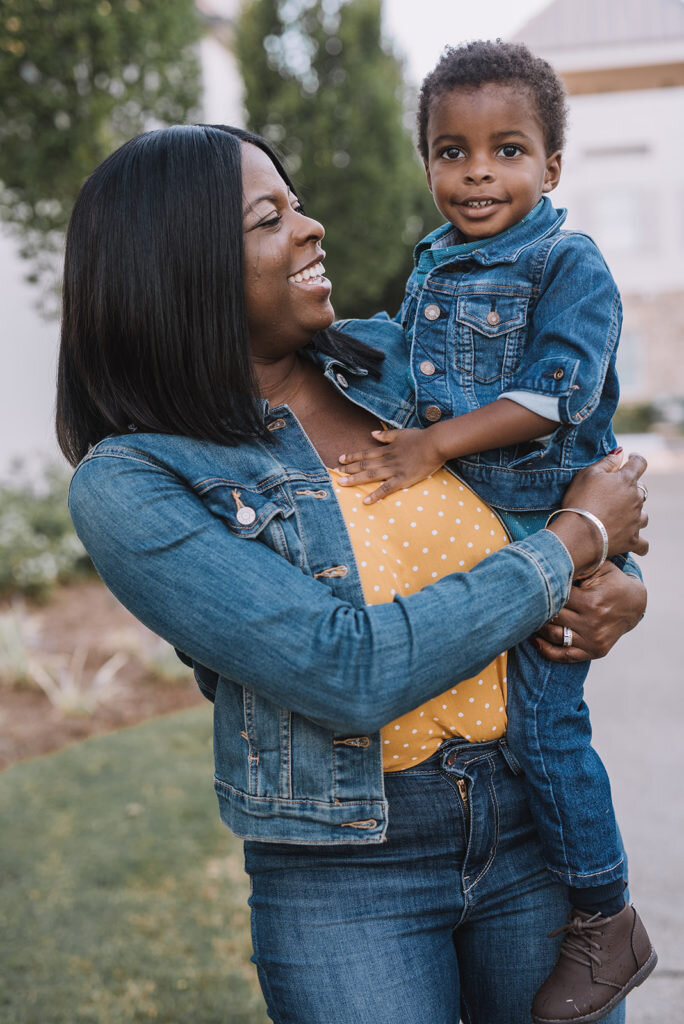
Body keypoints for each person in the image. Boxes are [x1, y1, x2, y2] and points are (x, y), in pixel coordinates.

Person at [57, 123, 649, 1024]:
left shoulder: (399, 363)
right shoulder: (134, 481)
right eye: (270, 218)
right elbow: (347, 668)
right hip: (348, 868)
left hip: (536, 818)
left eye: (296, 204)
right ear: (179, 269)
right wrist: (568, 548)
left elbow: (557, 471)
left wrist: (620, 582)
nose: (313, 227)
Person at [334, 41, 656, 1022]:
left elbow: (555, 394)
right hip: (497, 536)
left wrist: (434, 446)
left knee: (549, 731)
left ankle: (606, 919)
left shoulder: (568, 262)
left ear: (553, 166)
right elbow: (404, 361)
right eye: (452, 150)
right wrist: (317, 335)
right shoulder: (439, 263)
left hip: (554, 520)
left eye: (507, 150)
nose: (477, 172)